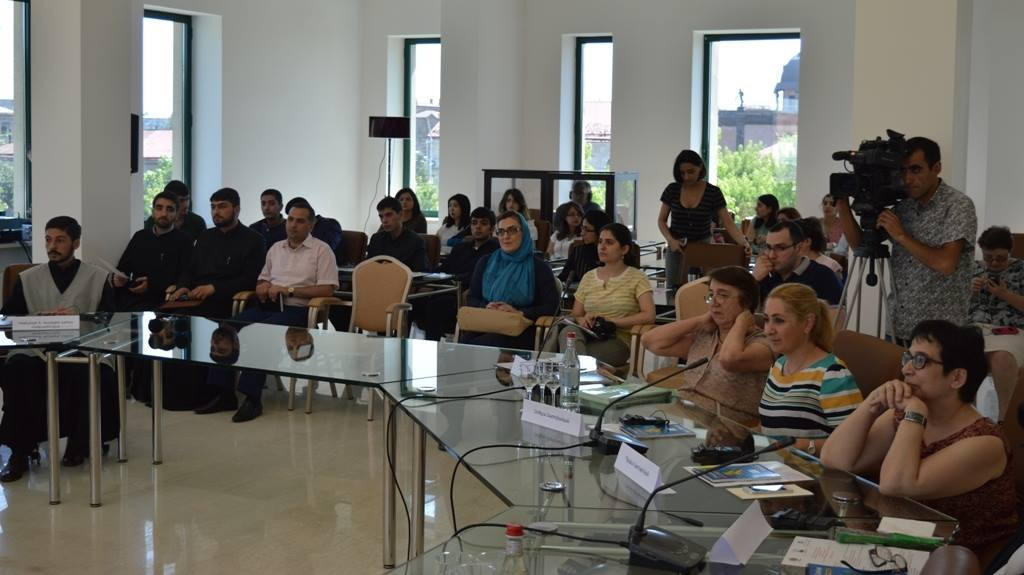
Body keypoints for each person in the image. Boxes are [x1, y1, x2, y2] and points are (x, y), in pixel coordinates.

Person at [820, 320, 1018, 553]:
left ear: (956, 378)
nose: (906, 369)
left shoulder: (985, 442)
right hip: (904, 541)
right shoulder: (907, 414)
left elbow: (895, 484)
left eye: (920, 361)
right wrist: (872, 404)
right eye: (908, 358)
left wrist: (914, 414)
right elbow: (834, 460)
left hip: (963, 557)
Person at [197, 200, 339, 422]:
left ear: (311, 225)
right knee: (226, 328)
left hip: (300, 310)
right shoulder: (276, 248)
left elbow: (328, 288)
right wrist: (262, 287)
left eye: (300, 221)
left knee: (262, 332)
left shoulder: (322, 250)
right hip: (269, 305)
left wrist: (289, 290)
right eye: (291, 220)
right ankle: (224, 393)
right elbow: (262, 279)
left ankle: (252, 398)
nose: (293, 225)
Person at [0, 216, 119, 482]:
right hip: (35, 347)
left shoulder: (97, 277)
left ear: (75, 243)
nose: (52, 246)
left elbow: (108, 318)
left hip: (82, 345)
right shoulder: (28, 278)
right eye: (48, 240)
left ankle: (80, 441)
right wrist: (36, 318)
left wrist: (79, 315)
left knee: (86, 371)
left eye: (60, 240)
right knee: (17, 369)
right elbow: (8, 318)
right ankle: (20, 451)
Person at [837, 137, 977, 344]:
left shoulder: (957, 205)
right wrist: (842, 206)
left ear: (936, 168)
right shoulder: (903, 206)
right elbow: (860, 245)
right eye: (902, 170)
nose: (908, 179)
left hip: (941, 331)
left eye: (916, 169)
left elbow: (946, 264)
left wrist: (901, 236)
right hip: (897, 325)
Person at [642, 266, 775, 426]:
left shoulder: (762, 343)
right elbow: (650, 341)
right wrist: (700, 321)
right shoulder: (706, 335)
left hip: (724, 428)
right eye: (711, 295)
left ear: (746, 302)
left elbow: (729, 359)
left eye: (723, 295)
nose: (714, 303)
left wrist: (742, 321)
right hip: (683, 416)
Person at [759, 283, 862, 452]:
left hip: (808, 467)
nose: (769, 330)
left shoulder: (832, 374)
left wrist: (808, 446)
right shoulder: (779, 365)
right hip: (774, 463)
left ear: (807, 324)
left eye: (779, 321)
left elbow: (853, 444)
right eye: (766, 320)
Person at [548, 223, 655, 366]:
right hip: (588, 334)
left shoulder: (638, 277)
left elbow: (649, 315)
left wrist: (611, 321)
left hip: (617, 340)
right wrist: (583, 320)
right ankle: (577, 372)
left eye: (609, 242)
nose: (602, 247)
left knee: (572, 355)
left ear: (624, 249)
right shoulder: (589, 277)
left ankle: (571, 370)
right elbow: (576, 314)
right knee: (569, 331)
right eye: (600, 242)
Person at [462, 211, 558, 349]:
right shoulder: (485, 262)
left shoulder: (539, 267)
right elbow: (472, 297)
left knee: (491, 343)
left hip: (521, 329)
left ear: (524, 232)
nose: (506, 236)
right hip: (488, 322)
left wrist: (518, 312)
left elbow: (551, 306)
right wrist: (487, 306)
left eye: (512, 230)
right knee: (465, 342)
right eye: (501, 231)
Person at [658, 149, 750, 291]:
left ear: (700, 167)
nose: (686, 177)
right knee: (673, 288)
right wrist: (670, 240)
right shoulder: (672, 189)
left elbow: (728, 222)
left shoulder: (713, 192)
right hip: (677, 246)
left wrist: (744, 242)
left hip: (703, 246)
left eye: (691, 171)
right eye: (682, 173)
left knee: (704, 288)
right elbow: (661, 221)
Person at [168, 187, 267, 319]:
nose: (216, 212)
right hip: (194, 298)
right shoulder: (205, 236)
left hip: (225, 300)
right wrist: (183, 286)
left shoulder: (254, 240)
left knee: (181, 319)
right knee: (161, 318)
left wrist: (214, 288)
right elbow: (190, 268)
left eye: (222, 206)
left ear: (237, 210)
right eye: (213, 207)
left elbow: (249, 279)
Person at [417, 207, 499, 340]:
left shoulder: (496, 251)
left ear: (492, 228)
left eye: (483, 223)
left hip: (465, 293)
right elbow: (443, 268)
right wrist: (425, 277)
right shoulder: (461, 247)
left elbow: (478, 278)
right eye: (474, 223)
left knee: (436, 305)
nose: (478, 227)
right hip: (446, 287)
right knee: (415, 299)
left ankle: (436, 347)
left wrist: (450, 279)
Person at [969, 226, 1024, 421]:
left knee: (1003, 358)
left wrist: (1005, 294)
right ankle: (968, 418)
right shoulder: (972, 268)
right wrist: (969, 292)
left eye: (1000, 258)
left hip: (1011, 330)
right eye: (988, 257)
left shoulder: (1021, 269)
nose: (993, 263)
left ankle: (1004, 421)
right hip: (975, 327)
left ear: (1010, 252)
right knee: (961, 352)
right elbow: (954, 306)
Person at [112, 191, 194, 310]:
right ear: (152, 212)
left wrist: (152, 284)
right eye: (159, 208)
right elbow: (123, 267)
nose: (164, 213)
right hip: (134, 298)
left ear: (176, 214)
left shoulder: (184, 240)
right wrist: (119, 278)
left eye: (170, 209)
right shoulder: (140, 236)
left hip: (165, 300)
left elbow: (186, 275)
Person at [753, 221, 843, 305]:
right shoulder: (765, 275)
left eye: (781, 248)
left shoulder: (823, 277)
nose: (772, 255)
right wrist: (754, 280)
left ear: (799, 248)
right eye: (769, 247)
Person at [367, 196, 429, 271]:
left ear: (401, 215)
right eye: (381, 216)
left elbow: (421, 273)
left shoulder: (416, 241)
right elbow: (367, 268)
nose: (384, 220)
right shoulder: (376, 239)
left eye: (389, 215)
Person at [559, 209, 610, 284]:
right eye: (582, 228)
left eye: (587, 229)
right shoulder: (578, 251)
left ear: (600, 231)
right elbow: (563, 277)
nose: (582, 233)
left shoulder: (611, 253)